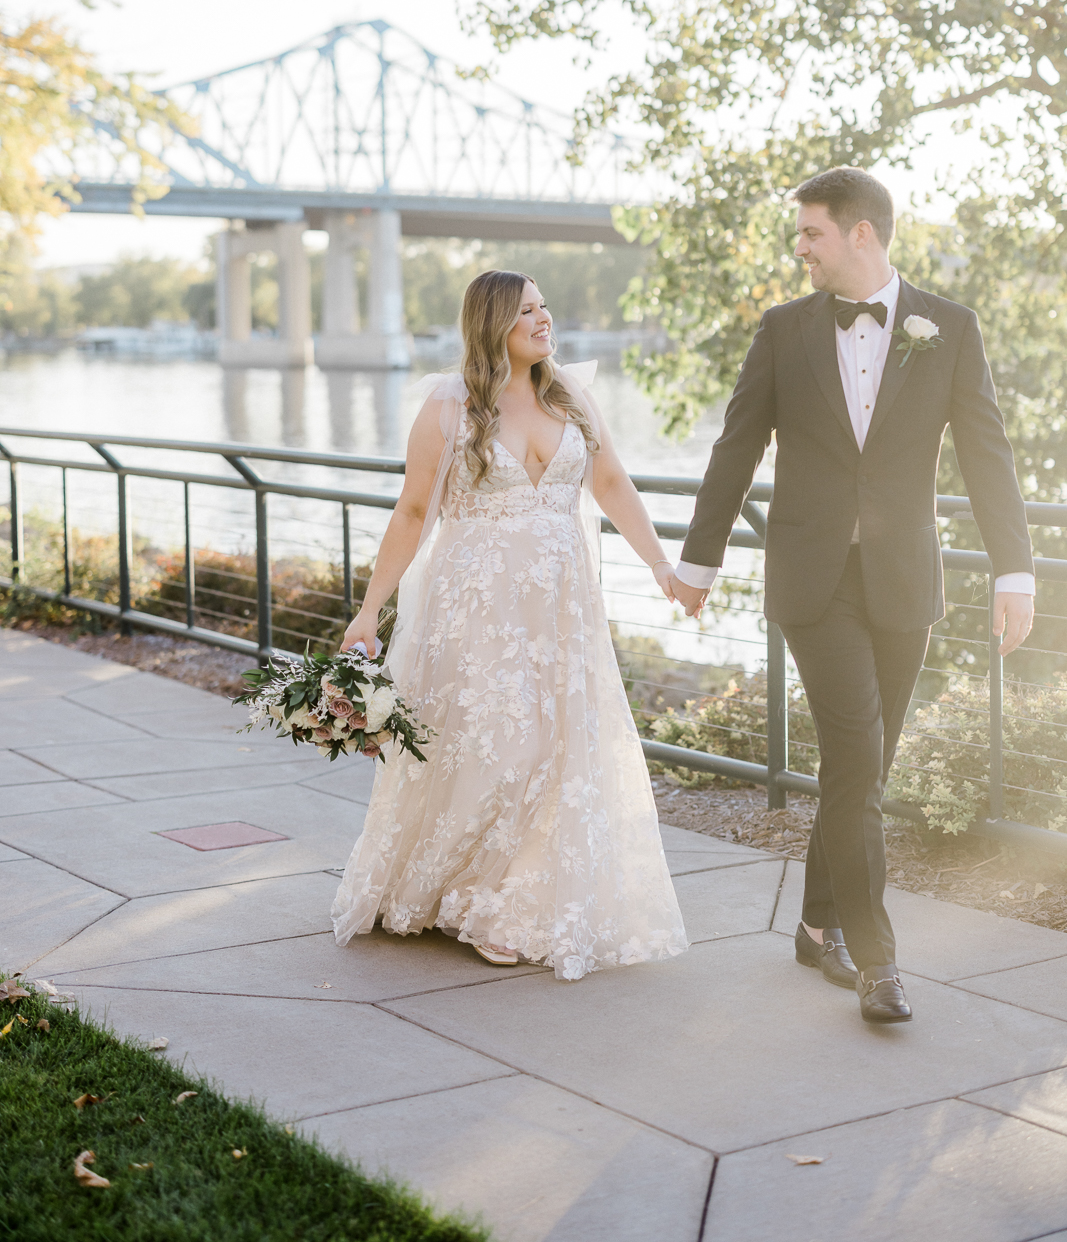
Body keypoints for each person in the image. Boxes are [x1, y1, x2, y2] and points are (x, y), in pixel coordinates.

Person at [670, 167, 1034, 1024]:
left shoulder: (948, 328)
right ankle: (876, 960)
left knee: (859, 764)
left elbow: (988, 455)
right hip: (812, 580)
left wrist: (1012, 569)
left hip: (904, 581)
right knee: (857, 754)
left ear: (860, 233)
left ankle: (811, 923)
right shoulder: (782, 329)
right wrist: (698, 561)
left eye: (810, 235)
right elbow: (734, 448)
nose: (798, 249)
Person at [331, 270, 688, 980]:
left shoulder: (570, 396)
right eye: (527, 309)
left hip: (562, 609)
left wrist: (659, 565)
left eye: (545, 306)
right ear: (492, 322)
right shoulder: (447, 406)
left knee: (557, 751)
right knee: (502, 747)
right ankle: (466, 893)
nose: (543, 318)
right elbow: (410, 513)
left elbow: (611, 482)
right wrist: (369, 610)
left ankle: (510, 900)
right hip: (478, 611)